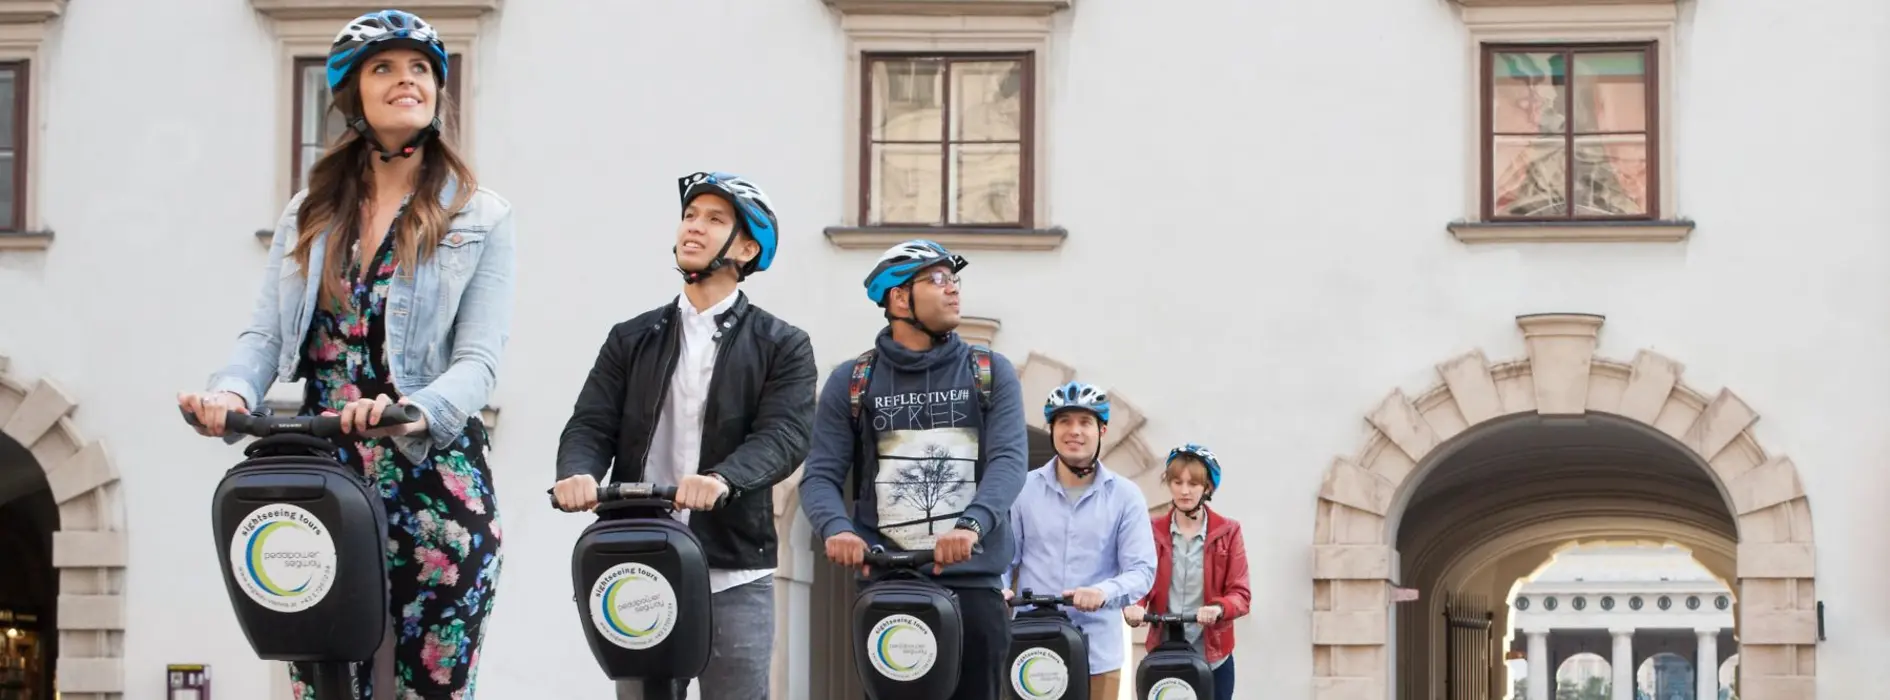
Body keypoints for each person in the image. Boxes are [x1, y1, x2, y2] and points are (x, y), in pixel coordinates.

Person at [179, 9, 514, 698]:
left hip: (433, 478)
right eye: (384, 68)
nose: (406, 81)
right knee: (322, 679)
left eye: (419, 68)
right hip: (324, 471)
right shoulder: (312, 213)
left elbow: (478, 363)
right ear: (351, 95)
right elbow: (264, 337)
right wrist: (231, 395)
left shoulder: (481, 216)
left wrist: (409, 409)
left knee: (433, 687)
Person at [551, 171, 817, 699]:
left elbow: (784, 435)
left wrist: (723, 478)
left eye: (714, 220)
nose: (694, 228)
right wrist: (576, 473)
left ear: (746, 247)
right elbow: (592, 422)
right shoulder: (631, 338)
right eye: (690, 216)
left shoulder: (782, 344)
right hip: (641, 554)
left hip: (734, 568)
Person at [797, 239, 1029, 700]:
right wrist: (836, 529)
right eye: (938, 279)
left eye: (955, 279)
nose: (954, 290)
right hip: (889, 584)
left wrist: (971, 524)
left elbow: (1009, 461)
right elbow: (820, 474)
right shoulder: (853, 380)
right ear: (899, 298)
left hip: (974, 587)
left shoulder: (988, 371)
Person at [1003, 382, 1157, 699]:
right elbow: (1005, 557)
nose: (1074, 431)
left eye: (1085, 422)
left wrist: (1103, 592)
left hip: (1097, 653)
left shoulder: (1126, 496)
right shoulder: (1023, 489)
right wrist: (1000, 586)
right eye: (1065, 421)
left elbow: (1141, 570)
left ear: (1102, 430)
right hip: (1032, 647)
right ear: (1053, 429)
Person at [1125, 444, 1251, 700]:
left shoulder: (1229, 532)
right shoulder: (1152, 531)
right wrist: (1135, 604)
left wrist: (1218, 609)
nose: (1184, 491)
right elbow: (1140, 578)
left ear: (1207, 488)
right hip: (1164, 653)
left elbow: (1241, 593)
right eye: (1177, 482)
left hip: (1213, 657)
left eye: (1193, 483)